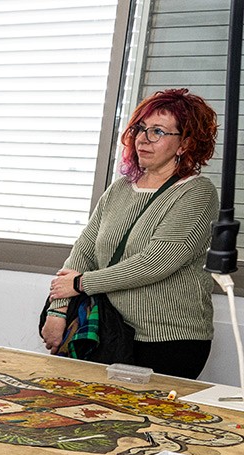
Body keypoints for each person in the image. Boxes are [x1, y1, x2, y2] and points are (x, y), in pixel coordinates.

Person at [43, 89, 219, 379]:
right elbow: (84, 250)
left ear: (185, 143)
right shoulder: (120, 188)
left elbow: (155, 263)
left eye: (158, 131)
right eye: (140, 128)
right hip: (107, 331)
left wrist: (82, 283)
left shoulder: (197, 192)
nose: (143, 138)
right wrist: (58, 310)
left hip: (168, 340)